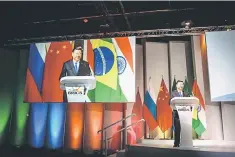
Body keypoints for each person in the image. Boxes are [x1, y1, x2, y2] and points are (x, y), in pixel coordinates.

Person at [171, 80, 190, 147]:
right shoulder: (173, 93)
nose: (181, 85)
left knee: (185, 129)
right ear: (176, 85)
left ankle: (186, 143)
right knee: (177, 129)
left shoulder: (186, 93)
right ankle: (176, 143)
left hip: (185, 113)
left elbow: (189, 103)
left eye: (182, 84)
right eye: (180, 84)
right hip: (176, 114)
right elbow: (170, 103)